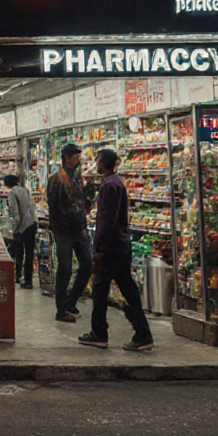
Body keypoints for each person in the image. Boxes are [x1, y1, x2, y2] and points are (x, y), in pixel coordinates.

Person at [79, 149, 155, 352]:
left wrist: (99, 247)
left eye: (98, 160)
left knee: (99, 289)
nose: (95, 164)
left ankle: (99, 334)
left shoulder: (110, 185)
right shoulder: (114, 182)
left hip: (111, 247)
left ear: (104, 162)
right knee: (128, 289)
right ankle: (143, 334)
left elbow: (107, 219)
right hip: (120, 245)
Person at [47, 144, 92, 323]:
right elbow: (54, 207)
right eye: (76, 158)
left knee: (87, 264)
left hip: (79, 229)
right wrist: (63, 224)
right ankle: (61, 308)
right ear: (67, 159)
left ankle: (71, 301)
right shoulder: (56, 179)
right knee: (65, 268)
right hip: (63, 230)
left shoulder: (76, 177)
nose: (79, 161)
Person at [4, 175, 38, 289]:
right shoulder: (25, 190)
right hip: (33, 222)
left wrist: (15, 230)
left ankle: (18, 276)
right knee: (29, 253)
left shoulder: (12, 193)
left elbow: (16, 214)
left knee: (19, 251)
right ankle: (28, 280)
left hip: (24, 224)